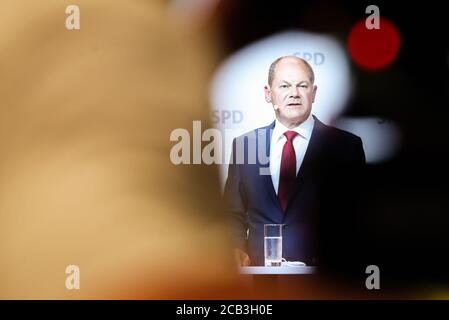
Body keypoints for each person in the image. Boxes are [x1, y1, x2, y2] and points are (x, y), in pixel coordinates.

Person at [225, 55, 366, 267]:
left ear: (314, 92)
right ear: (268, 93)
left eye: (302, 85)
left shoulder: (345, 146)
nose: (294, 94)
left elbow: (359, 214)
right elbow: (232, 213)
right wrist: (236, 248)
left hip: (322, 281)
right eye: (284, 86)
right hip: (260, 281)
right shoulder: (245, 145)